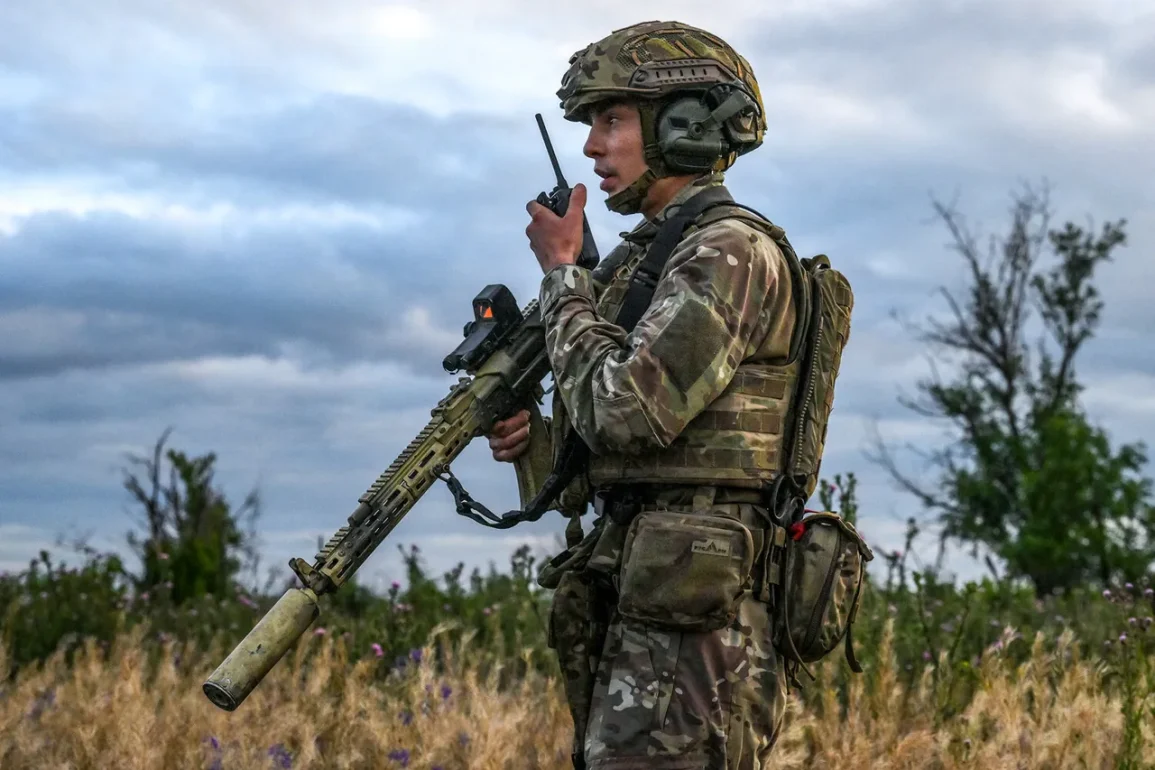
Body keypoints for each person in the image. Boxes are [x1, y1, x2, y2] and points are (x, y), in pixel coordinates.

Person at [486, 20, 846, 769]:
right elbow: (632, 457)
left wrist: (560, 279)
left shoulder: (728, 250)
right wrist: (542, 445)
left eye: (611, 119)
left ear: (683, 126)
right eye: (591, 122)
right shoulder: (652, 256)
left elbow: (627, 410)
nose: (591, 146)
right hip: (649, 591)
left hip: (694, 614)